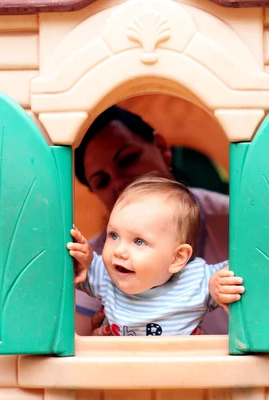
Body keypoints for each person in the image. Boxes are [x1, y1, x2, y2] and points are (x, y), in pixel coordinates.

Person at [73, 105, 231, 335]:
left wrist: (220, 286)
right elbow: (79, 343)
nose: (119, 182)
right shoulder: (107, 263)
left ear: (162, 148)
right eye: (102, 181)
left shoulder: (231, 220)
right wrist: (97, 336)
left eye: (127, 159)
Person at [67, 176, 244, 336]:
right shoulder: (105, 276)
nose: (119, 251)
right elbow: (75, 268)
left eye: (139, 241)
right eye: (114, 235)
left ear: (178, 258)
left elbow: (247, 266)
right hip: (122, 370)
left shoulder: (197, 281)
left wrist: (219, 284)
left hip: (178, 371)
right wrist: (83, 259)